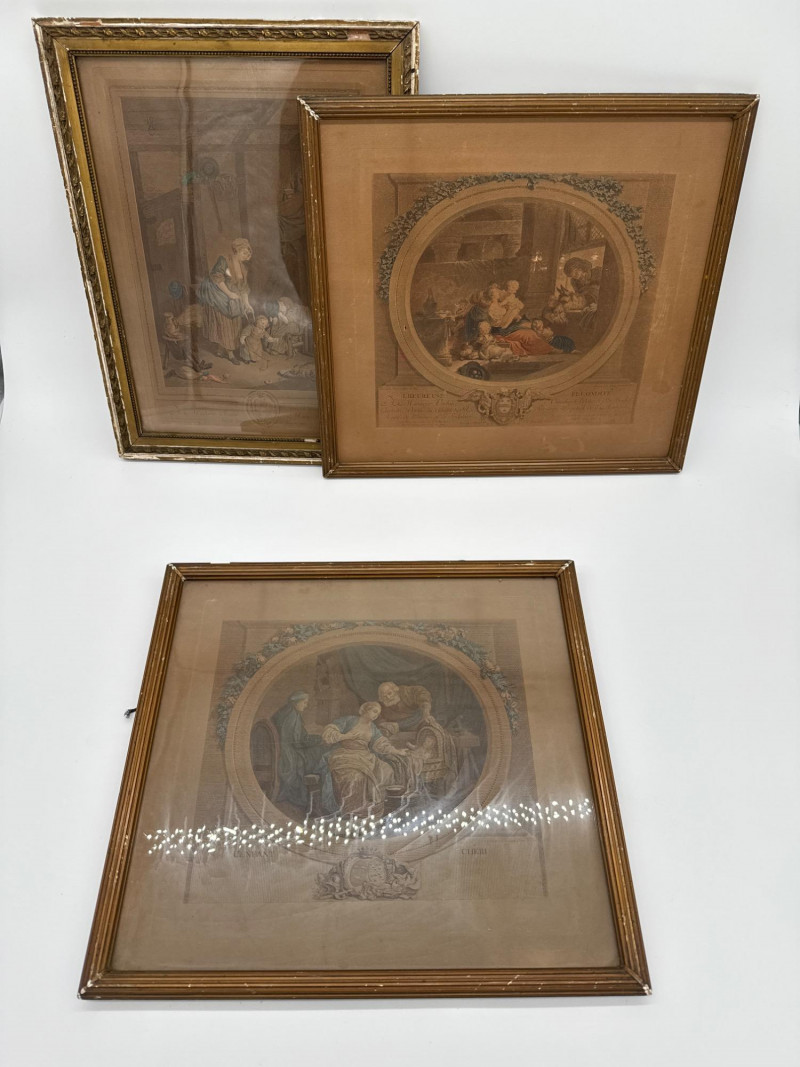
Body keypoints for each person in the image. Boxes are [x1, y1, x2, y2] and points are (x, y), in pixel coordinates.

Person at [322, 702, 409, 817]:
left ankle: (378, 802)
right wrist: (346, 736)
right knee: (355, 776)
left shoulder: (372, 727)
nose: (376, 715)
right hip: (345, 754)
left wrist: (397, 751)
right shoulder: (350, 720)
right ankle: (354, 807)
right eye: (374, 711)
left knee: (387, 770)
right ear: (366, 710)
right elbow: (329, 731)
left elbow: (381, 744)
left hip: (365, 756)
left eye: (378, 713)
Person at [271, 691, 333, 812]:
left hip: (289, 749)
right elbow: (298, 741)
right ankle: (318, 793)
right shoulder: (292, 716)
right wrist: (320, 740)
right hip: (289, 753)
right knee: (322, 753)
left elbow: (300, 737)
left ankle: (319, 793)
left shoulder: (287, 712)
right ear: (296, 703)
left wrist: (317, 739)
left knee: (320, 751)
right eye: (304, 702)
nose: (306, 705)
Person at [197, 237, 254, 362]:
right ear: (236, 250)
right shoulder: (224, 260)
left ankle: (220, 350)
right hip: (219, 294)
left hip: (233, 295)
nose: (246, 256)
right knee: (226, 323)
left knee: (235, 319)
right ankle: (230, 354)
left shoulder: (243, 268)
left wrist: (247, 303)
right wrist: (229, 294)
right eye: (244, 252)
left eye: (248, 254)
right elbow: (217, 277)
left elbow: (243, 288)